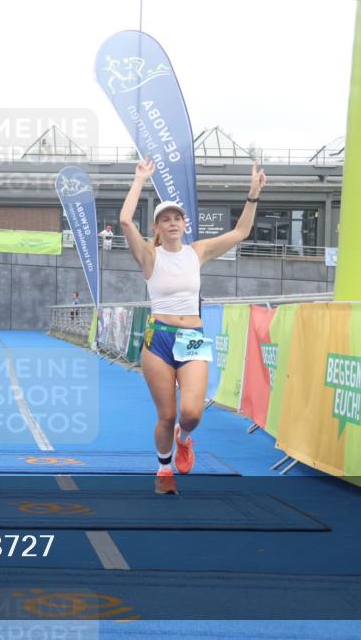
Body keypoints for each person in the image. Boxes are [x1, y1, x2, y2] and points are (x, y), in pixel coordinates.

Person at [120, 157, 265, 494]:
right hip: (158, 338)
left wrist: (253, 193)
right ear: (156, 227)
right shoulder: (149, 256)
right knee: (166, 414)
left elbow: (241, 232)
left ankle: (184, 440)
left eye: (176, 218)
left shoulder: (197, 251)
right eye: (164, 219)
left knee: (191, 414)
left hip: (193, 337)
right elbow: (126, 220)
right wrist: (140, 178)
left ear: (185, 224)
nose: (171, 223)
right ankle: (164, 469)